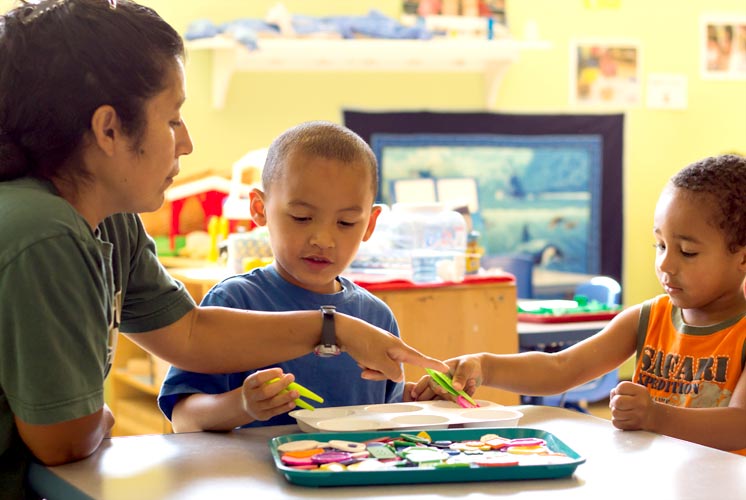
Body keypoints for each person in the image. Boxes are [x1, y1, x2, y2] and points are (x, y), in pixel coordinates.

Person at [0, 2, 447, 497]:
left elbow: (188, 334)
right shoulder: (45, 230)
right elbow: (63, 441)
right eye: (172, 119)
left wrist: (333, 327)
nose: (186, 142)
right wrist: (100, 416)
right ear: (109, 130)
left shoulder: (111, 218)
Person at [414, 154, 746, 455]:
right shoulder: (649, 318)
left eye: (687, 252)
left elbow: (739, 426)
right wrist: (485, 365)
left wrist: (656, 416)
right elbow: (561, 369)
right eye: (660, 245)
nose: (665, 264)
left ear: (742, 259)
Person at [159, 121, 414, 431]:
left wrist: (424, 399)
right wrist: (241, 405)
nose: (323, 239)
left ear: (370, 224)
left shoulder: (376, 317)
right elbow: (183, 419)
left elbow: (387, 415)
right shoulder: (234, 302)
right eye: (302, 217)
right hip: (256, 477)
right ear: (259, 208)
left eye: (346, 222)